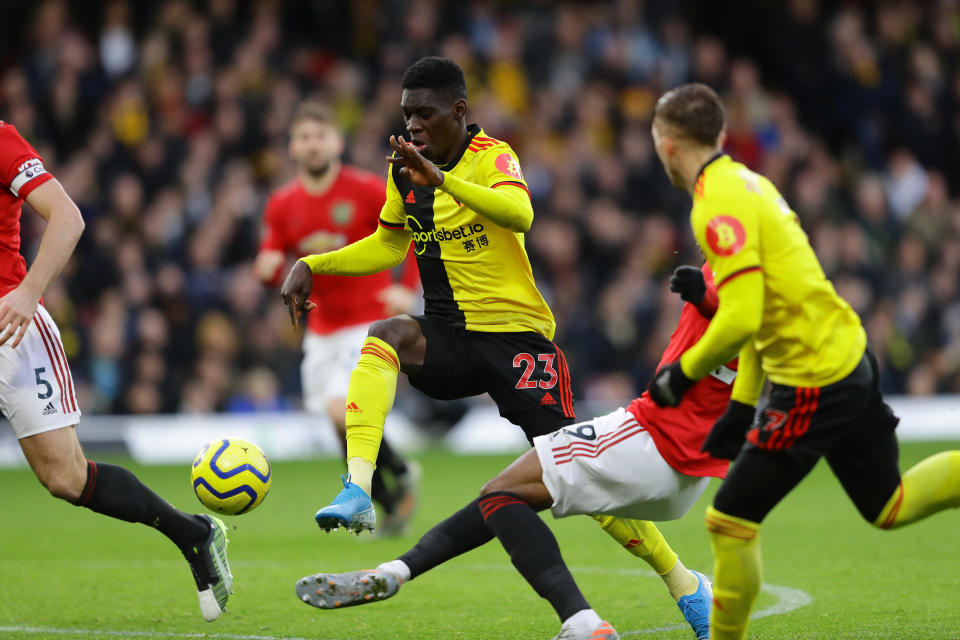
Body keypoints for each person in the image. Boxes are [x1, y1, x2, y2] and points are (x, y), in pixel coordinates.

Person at [282, 57, 714, 637]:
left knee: (574, 474)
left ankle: (683, 581)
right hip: (450, 336)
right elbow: (387, 245)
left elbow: (521, 213)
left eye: (425, 114)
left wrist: (443, 181)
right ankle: (360, 486)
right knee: (385, 335)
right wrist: (314, 264)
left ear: (459, 112)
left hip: (517, 340)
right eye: (406, 113)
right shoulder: (403, 168)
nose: (412, 125)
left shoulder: (493, 156)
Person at [646, 83, 960, 640]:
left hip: (815, 379)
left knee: (729, 521)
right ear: (718, 136)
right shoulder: (750, 183)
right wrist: (742, 410)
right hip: (847, 352)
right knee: (890, 504)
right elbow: (766, 304)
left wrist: (683, 373)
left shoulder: (714, 203)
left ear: (667, 146)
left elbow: (743, 319)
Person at [295, 264, 732, 640]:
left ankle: (616, 608)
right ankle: (386, 551)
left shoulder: (490, 164)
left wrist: (697, 340)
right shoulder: (751, 289)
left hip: (611, 410)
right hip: (687, 461)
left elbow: (518, 212)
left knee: (521, 491)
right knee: (505, 492)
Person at [0, 120, 232, 621]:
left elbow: (68, 217)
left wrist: (28, 291)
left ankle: (193, 534)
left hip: (10, 327)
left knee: (65, 478)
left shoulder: (1, 140)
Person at [256, 101, 420, 535]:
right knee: (340, 422)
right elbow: (272, 252)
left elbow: (414, 227)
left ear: (336, 142)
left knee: (339, 411)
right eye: (304, 137)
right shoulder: (282, 204)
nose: (312, 145)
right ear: (293, 147)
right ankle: (393, 491)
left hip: (367, 321)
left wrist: (408, 286)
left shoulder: (366, 190)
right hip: (321, 328)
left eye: (320, 136)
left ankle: (384, 488)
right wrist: (268, 265)